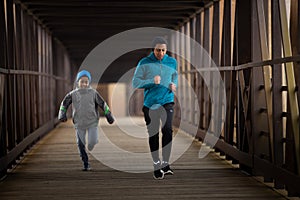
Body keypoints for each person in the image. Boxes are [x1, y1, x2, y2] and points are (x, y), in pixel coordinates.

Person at [132, 36, 178, 179]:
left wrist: (173, 84)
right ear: (153, 50)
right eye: (158, 50)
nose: (161, 53)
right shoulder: (144, 62)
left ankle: (165, 163)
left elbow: (175, 75)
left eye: (163, 50)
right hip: (151, 103)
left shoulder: (172, 61)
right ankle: (156, 164)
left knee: (168, 130)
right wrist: (151, 81)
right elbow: (136, 83)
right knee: (154, 134)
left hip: (167, 100)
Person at [58, 70, 115, 171]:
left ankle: (92, 143)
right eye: (82, 81)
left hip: (92, 122)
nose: (84, 84)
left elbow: (103, 104)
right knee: (80, 143)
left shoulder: (93, 93)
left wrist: (108, 115)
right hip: (79, 123)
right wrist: (62, 114)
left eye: (86, 82)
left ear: (89, 82)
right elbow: (64, 104)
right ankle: (86, 163)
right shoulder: (73, 94)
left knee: (92, 140)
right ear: (77, 82)